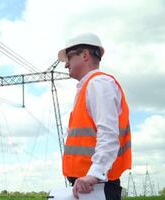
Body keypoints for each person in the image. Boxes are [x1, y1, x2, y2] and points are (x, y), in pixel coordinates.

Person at [58, 33, 131, 200]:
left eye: (69, 57)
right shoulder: (88, 87)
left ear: (85, 55)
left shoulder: (99, 83)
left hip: (96, 185)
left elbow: (108, 133)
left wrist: (95, 174)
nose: (66, 64)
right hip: (88, 185)